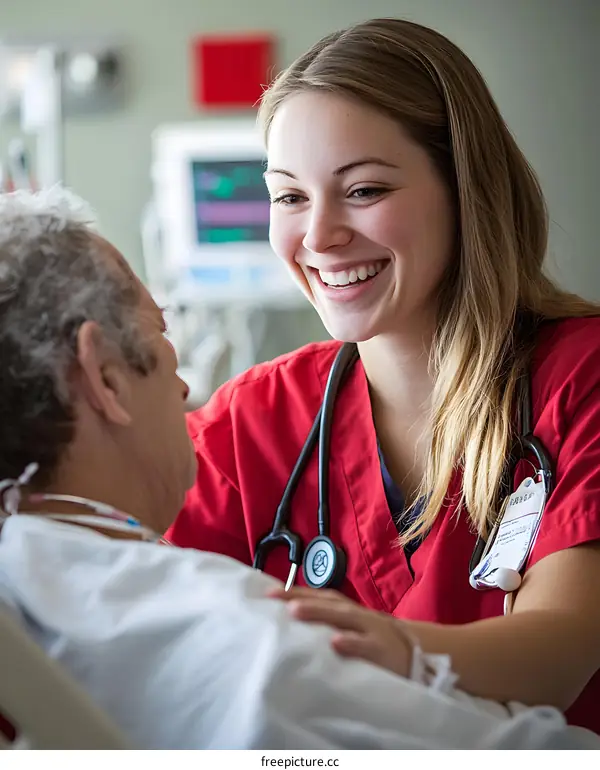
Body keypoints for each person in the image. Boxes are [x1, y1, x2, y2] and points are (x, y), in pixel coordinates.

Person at [1, 188, 599, 751]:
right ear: (106, 378)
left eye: (365, 190)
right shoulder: (264, 646)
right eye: (163, 337)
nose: (184, 389)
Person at [166, 17, 600, 735]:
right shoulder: (255, 418)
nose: (319, 236)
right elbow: (113, 598)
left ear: (466, 191)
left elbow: (558, 653)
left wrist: (386, 650)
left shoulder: (577, 378)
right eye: (289, 197)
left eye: (363, 190)